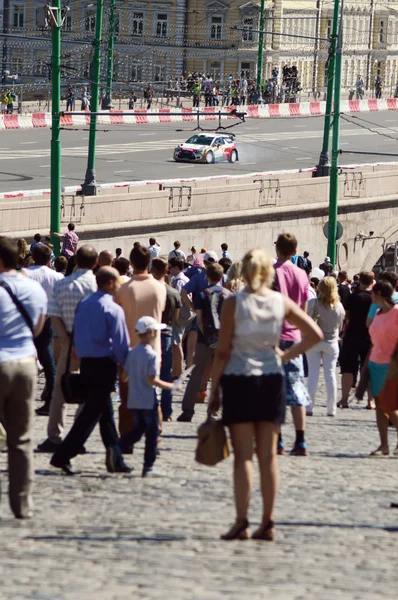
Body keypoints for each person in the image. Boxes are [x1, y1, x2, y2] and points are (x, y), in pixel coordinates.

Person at [208, 249, 322, 541]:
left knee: (243, 456)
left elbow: (222, 352)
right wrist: (284, 356)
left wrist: (214, 390)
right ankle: (268, 522)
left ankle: (242, 521)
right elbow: (314, 335)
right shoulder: (280, 302)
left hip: (239, 379)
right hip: (271, 379)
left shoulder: (234, 304)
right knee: (268, 457)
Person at [50, 267, 131, 475]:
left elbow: (76, 330)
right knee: (92, 413)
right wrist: (125, 366)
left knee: (105, 413)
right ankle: (63, 455)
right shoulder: (113, 309)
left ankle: (115, 456)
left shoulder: (84, 304)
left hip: (86, 362)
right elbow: (121, 342)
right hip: (105, 364)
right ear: (110, 283)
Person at [0, 237, 47, 518]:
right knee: (22, 439)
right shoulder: (34, 289)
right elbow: (38, 330)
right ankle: (22, 503)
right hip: (27, 364)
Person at [36, 245, 98, 453]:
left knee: (59, 393)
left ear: (76, 261)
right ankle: (77, 437)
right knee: (89, 394)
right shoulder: (99, 285)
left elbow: (54, 316)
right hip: (93, 346)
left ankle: (54, 436)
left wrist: (68, 342)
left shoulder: (62, 285)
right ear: (95, 262)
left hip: (69, 343)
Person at [115, 245, 166, 439]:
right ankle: (156, 434)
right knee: (153, 396)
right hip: (154, 349)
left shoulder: (125, 289)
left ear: (132, 262)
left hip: (129, 351)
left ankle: (126, 437)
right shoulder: (160, 287)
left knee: (127, 398)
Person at [120, 317, 175, 476]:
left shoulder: (132, 352)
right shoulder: (151, 355)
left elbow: (124, 377)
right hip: (147, 400)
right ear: (151, 332)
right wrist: (170, 386)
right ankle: (148, 466)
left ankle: (117, 447)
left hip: (134, 399)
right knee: (151, 434)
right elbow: (152, 380)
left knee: (137, 431)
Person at [274, 233, 312, 455]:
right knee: (297, 387)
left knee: (274, 388)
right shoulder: (301, 274)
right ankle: (300, 441)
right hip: (295, 336)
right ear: (295, 251)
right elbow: (304, 310)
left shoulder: (271, 272)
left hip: (274, 336)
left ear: (277, 248)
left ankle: (277, 439)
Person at [177, 259, 228, 422]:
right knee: (220, 375)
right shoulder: (229, 296)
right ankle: (214, 411)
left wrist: (205, 333)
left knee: (196, 374)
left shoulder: (202, 294)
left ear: (207, 276)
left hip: (204, 339)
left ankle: (187, 410)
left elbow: (199, 319)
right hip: (223, 339)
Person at [23, 243, 64, 416]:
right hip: (48, 318)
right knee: (48, 360)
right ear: (49, 259)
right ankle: (51, 397)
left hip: (25, 318)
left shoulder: (25, 275)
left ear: (33, 257)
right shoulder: (57, 277)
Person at [306, 277, 345, 416]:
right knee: (330, 375)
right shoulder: (339, 306)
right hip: (331, 342)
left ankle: (309, 407)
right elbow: (340, 326)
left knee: (313, 375)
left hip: (314, 341)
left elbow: (306, 321)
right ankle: (331, 409)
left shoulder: (312, 303)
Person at [368, 281, 398, 456]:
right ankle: (384, 445)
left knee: (390, 406)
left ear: (379, 293)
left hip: (391, 365)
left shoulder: (395, 313)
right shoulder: (378, 313)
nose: (371, 295)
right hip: (375, 363)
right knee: (380, 407)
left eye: (373, 293)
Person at [150, 258, 181, 421]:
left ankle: (151, 408)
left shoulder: (149, 290)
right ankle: (166, 410)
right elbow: (175, 319)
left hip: (149, 334)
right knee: (166, 374)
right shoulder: (173, 292)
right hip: (167, 334)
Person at [338, 271, 374, 409]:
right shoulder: (375, 299)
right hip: (370, 337)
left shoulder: (353, 298)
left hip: (352, 335)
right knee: (369, 370)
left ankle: (345, 400)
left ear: (359, 281)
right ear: (372, 281)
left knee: (348, 368)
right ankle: (371, 401)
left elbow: (347, 317)